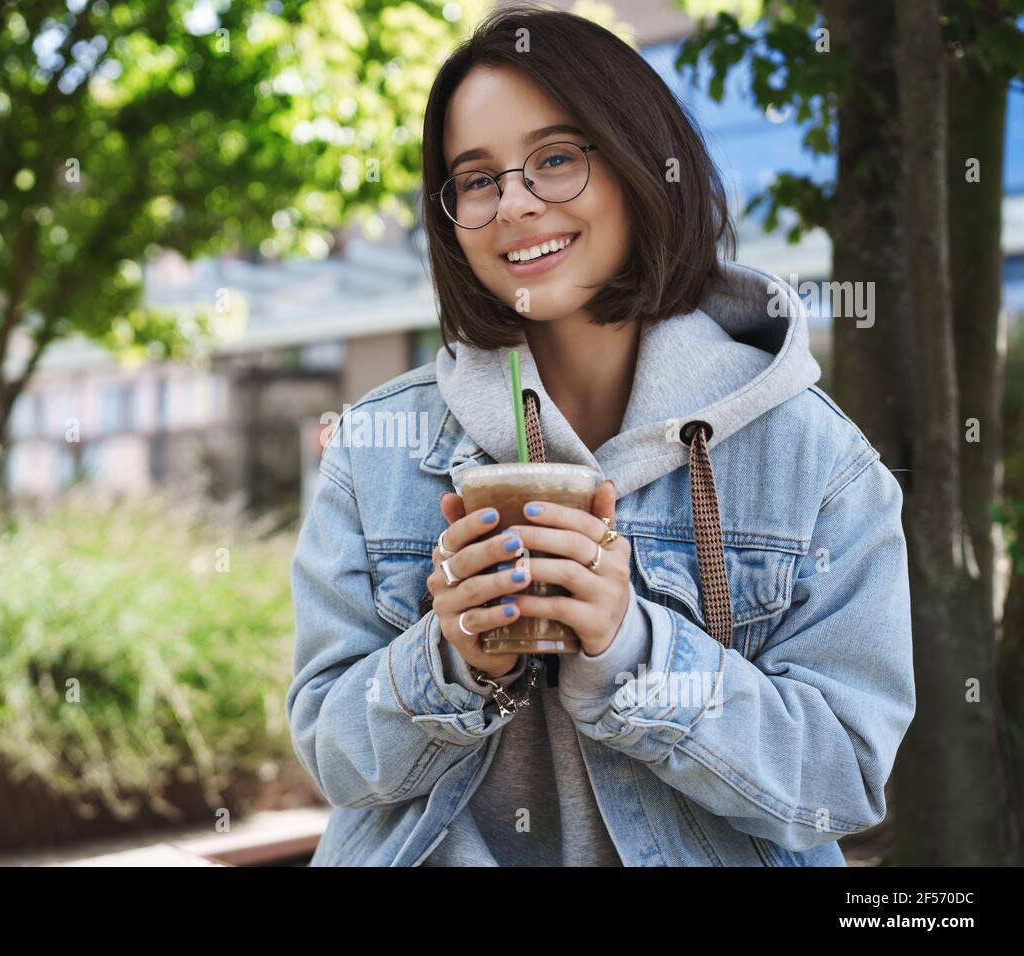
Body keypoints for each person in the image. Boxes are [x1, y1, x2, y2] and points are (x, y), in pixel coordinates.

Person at [286, 6, 915, 866]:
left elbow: (840, 781)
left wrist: (636, 654)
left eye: (554, 159)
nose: (514, 202)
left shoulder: (817, 462)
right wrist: (451, 660)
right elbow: (332, 753)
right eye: (477, 179)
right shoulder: (377, 449)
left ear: (638, 163)